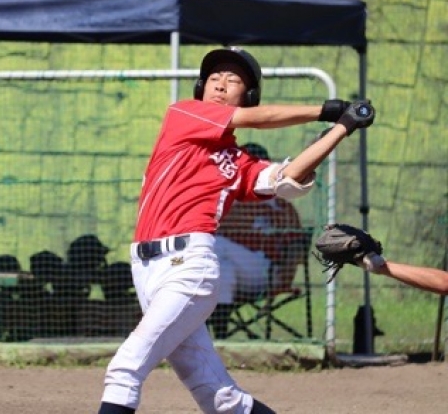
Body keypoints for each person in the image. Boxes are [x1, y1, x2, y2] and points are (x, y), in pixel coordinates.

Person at [97, 46, 375, 414]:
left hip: (188, 267)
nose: (221, 84)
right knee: (219, 396)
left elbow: (289, 178)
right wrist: (324, 109)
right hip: (146, 269)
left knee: (125, 368)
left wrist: (342, 127)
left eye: (233, 80)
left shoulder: (239, 163)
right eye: (214, 78)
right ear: (201, 88)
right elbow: (256, 119)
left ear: (249, 95)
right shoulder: (183, 113)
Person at [208, 143, 305, 339]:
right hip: (234, 275)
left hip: (266, 274)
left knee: (215, 246)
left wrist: (285, 280)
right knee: (223, 269)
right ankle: (220, 338)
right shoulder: (227, 201)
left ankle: (192, 321)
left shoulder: (279, 205)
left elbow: (297, 246)